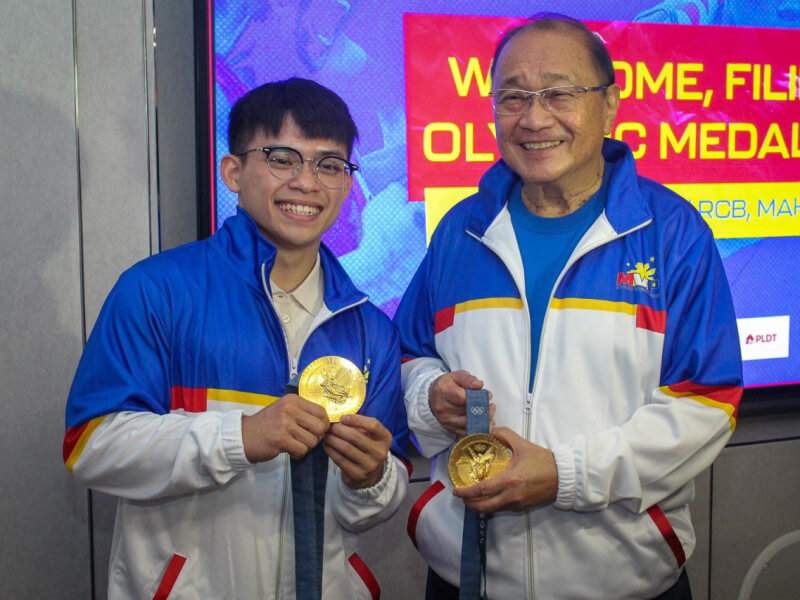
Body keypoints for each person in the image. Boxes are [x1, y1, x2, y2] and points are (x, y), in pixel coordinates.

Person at [394, 13, 742, 600]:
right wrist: (429, 397)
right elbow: (406, 356)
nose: (534, 119)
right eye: (513, 98)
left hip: (625, 580)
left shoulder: (670, 233)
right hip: (466, 576)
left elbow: (706, 404)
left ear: (608, 107)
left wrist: (566, 475)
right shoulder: (462, 231)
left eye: (559, 94)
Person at [63, 77, 409, 599]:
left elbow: (366, 508)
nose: (307, 182)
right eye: (282, 158)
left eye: (329, 165)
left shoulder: (371, 328)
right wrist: (238, 438)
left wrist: (372, 480)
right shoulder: (158, 291)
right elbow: (90, 447)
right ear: (233, 172)